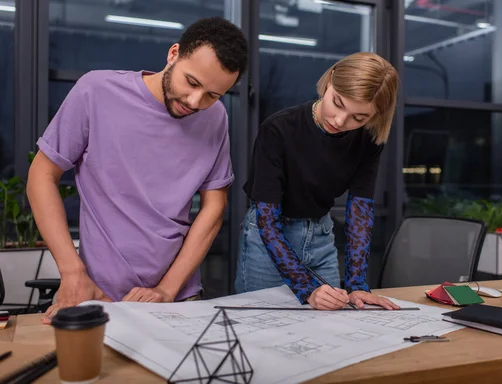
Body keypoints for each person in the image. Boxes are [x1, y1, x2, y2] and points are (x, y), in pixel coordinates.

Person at [27, 17, 248, 323]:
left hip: (179, 299)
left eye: (212, 95)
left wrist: (167, 289)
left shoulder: (215, 118)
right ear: (173, 54)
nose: (195, 101)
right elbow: (41, 176)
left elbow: (214, 206)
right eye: (192, 82)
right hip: (98, 295)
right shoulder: (96, 91)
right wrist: (72, 270)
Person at [236, 52, 400, 310]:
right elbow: (266, 219)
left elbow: (359, 211)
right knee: (259, 331)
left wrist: (357, 285)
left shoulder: (368, 141)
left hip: (321, 239)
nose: (340, 120)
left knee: (329, 328)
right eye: (337, 102)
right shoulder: (279, 128)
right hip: (268, 239)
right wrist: (306, 288)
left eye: (359, 118)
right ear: (330, 80)